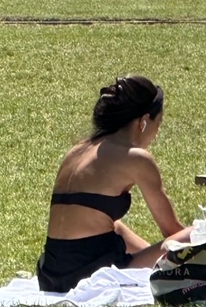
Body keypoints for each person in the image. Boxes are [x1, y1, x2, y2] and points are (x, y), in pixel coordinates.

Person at [36, 76, 190, 293]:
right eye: (159, 124)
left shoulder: (78, 150)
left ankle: (156, 265)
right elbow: (171, 230)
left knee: (116, 227)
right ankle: (167, 267)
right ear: (143, 121)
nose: (157, 133)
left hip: (50, 274)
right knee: (193, 234)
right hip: (89, 274)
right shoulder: (136, 158)